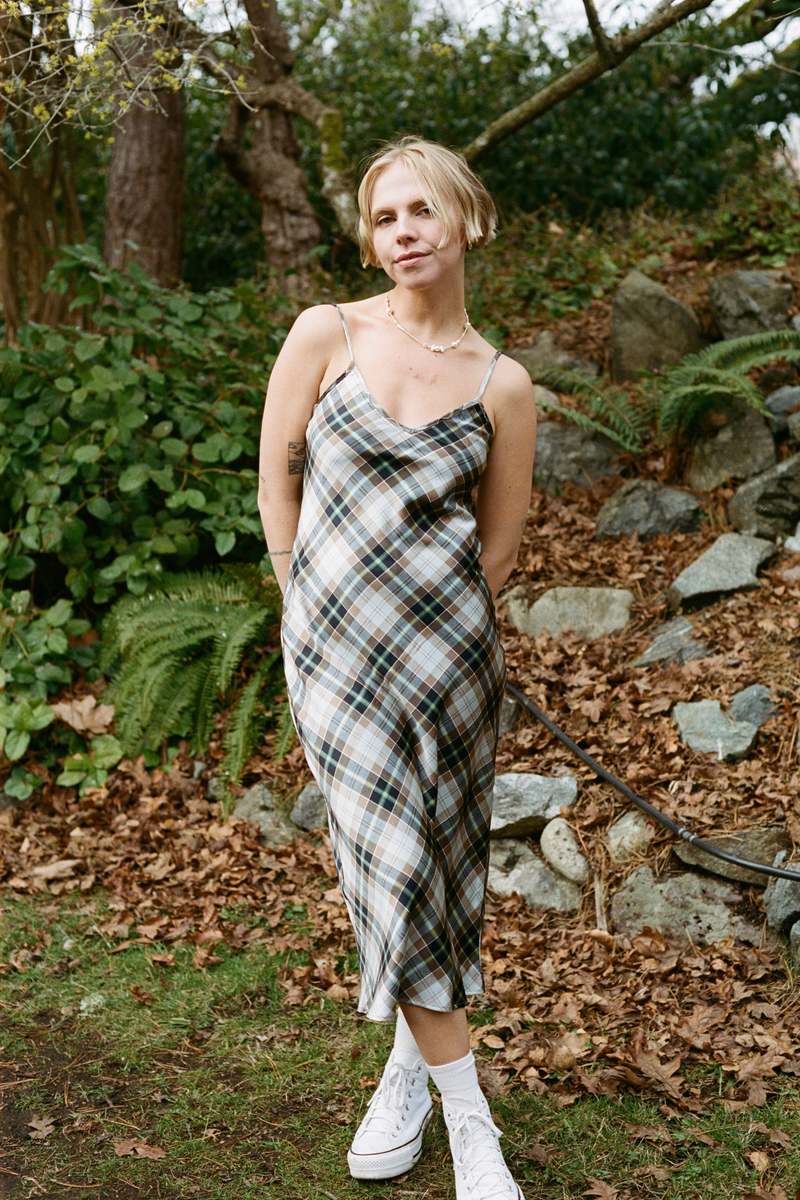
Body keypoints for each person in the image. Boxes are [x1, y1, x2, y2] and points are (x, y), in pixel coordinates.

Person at [258, 135, 537, 1199]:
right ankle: (474, 1127)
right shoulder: (324, 334)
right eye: (384, 218)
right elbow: (277, 483)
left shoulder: (504, 384)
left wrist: (429, 624)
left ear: (469, 221)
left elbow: (496, 552)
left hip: (451, 666)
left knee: (440, 876)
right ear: (369, 241)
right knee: (388, 861)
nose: (404, 233)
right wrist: (302, 600)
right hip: (333, 658)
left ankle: (404, 1075)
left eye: (422, 211)